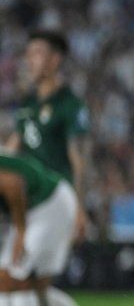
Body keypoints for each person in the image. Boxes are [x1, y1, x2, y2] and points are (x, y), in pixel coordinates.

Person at [5, 30, 90, 241]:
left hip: (57, 201)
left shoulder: (70, 104)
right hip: (32, 203)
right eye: (28, 54)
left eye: (37, 53)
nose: (29, 60)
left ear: (54, 60)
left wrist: (79, 207)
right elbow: (12, 150)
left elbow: (79, 161)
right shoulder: (27, 103)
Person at [0, 152, 78, 306]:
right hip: (32, 210)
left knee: (16, 280)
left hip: (50, 203)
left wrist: (21, 232)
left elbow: (13, 185)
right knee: (15, 282)